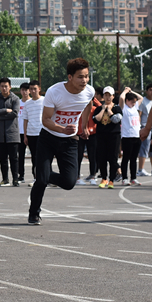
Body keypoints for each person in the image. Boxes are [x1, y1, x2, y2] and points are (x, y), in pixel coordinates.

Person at [28, 58, 94, 225]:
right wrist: (62, 129)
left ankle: (42, 172)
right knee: (42, 181)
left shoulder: (89, 91)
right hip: (48, 138)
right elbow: (45, 120)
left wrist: (84, 126)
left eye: (86, 76)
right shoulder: (54, 92)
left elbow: (88, 104)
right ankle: (34, 213)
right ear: (70, 77)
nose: (84, 80)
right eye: (80, 77)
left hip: (69, 141)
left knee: (69, 182)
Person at [0, 77, 20, 186]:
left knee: (13, 158)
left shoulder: (15, 99)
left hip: (12, 133)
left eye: (6, 86)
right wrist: (5, 110)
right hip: (0, 134)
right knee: (2, 158)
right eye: (2, 86)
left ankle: (15, 179)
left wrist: (0, 117)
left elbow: (15, 113)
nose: (4, 88)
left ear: (10, 87)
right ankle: (5, 179)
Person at [93, 86, 121, 189]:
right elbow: (96, 119)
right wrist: (103, 109)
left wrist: (109, 110)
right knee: (102, 158)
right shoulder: (99, 108)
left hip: (114, 136)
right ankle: (104, 178)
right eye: (106, 95)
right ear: (103, 96)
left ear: (113, 96)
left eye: (110, 95)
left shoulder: (117, 108)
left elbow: (116, 120)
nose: (108, 97)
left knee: (113, 158)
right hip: (101, 136)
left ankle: (112, 180)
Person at [20, 80, 44, 185]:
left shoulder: (45, 101)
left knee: (44, 156)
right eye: (31, 89)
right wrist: (25, 136)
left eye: (35, 89)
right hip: (31, 134)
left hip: (42, 133)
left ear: (39, 89)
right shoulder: (27, 104)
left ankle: (47, 177)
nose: (33, 91)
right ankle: (36, 178)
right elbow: (25, 120)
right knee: (34, 157)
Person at [119, 88, 142, 186]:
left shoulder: (135, 107)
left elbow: (141, 98)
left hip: (136, 136)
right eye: (132, 102)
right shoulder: (124, 108)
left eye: (134, 102)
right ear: (127, 100)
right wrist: (125, 91)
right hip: (127, 137)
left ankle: (133, 178)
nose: (133, 103)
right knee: (126, 158)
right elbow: (121, 98)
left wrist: (131, 91)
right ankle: (124, 178)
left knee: (134, 159)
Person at [137, 84, 152, 176]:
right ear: (146, 91)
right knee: (144, 148)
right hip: (145, 127)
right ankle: (140, 169)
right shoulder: (143, 101)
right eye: (150, 90)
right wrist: (140, 127)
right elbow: (139, 114)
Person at [17, 82, 30, 183]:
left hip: (31, 132)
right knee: (20, 155)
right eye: (22, 90)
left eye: (26, 90)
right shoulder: (17, 103)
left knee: (36, 155)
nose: (24, 92)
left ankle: (37, 175)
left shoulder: (32, 102)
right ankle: (21, 175)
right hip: (19, 132)